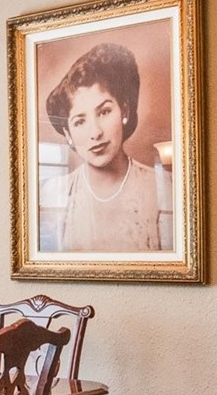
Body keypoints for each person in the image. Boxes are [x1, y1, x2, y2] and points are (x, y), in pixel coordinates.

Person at [38, 41, 167, 252]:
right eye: (80, 121)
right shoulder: (53, 194)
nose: (95, 132)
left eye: (104, 112)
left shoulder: (164, 189)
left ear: (124, 111)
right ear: (68, 134)